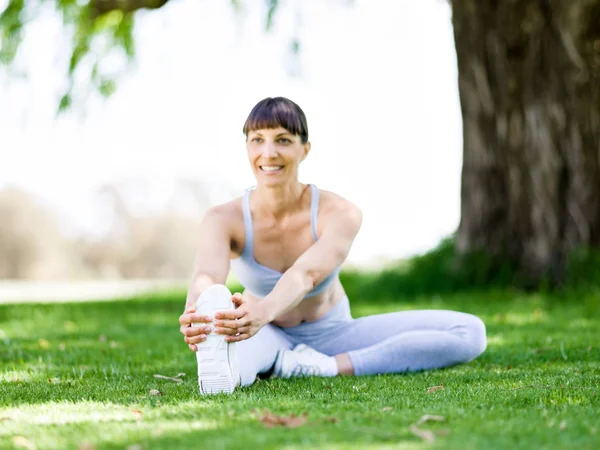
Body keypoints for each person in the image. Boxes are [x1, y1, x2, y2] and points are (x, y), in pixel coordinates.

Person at [178, 96, 487, 395]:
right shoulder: (222, 218)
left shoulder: (339, 213)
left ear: (305, 149)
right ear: (247, 147)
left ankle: (325, 367)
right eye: (257, 140)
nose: (268, 153)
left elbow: (306, 274)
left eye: (283, 140)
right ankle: (258, 363)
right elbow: (207, 275)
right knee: (233, 366)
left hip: (334, 333)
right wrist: (196, 315)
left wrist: (262, 311)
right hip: (264, 333)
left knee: (470, 333)